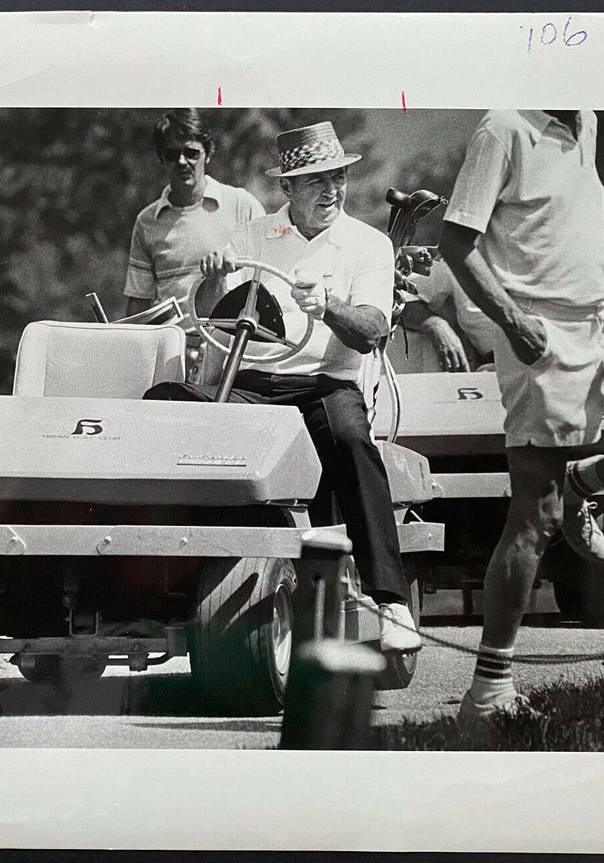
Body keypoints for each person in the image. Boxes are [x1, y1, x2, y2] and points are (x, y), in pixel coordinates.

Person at [145, 121, 419, 653]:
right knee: (165, 408)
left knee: (353, 443)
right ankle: (154, 580)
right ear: (288, 188)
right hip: (252, 386)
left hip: (324, 386)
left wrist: (330, 307)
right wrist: (215, 280)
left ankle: (391, 602)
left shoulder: (369, 244)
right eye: (316, 180)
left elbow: (372, 332)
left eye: (337, 177)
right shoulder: (253, 236)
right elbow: (209, 319)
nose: (331, 190)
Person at [438, 110, 604, 722]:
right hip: (541, 335)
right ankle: (488, 692)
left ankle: (586, 482)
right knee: (535, 515)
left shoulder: (590, 121)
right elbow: (455, 242)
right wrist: (514, 324)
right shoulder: (503, 128)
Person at [124, 109, 265, 337]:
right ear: (161, 158)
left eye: (191, 152)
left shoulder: (242, 204)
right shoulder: (147, 222)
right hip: (171, 347)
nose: (182, 161)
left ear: (207, 154)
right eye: (172, 154)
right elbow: (138, 305)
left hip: (230, 346)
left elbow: (271, 275)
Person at [401, 261, 501, 372]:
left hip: (509, 365)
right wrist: (435, 324)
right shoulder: (461, 257)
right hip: (492, 367)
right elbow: (402, 297)